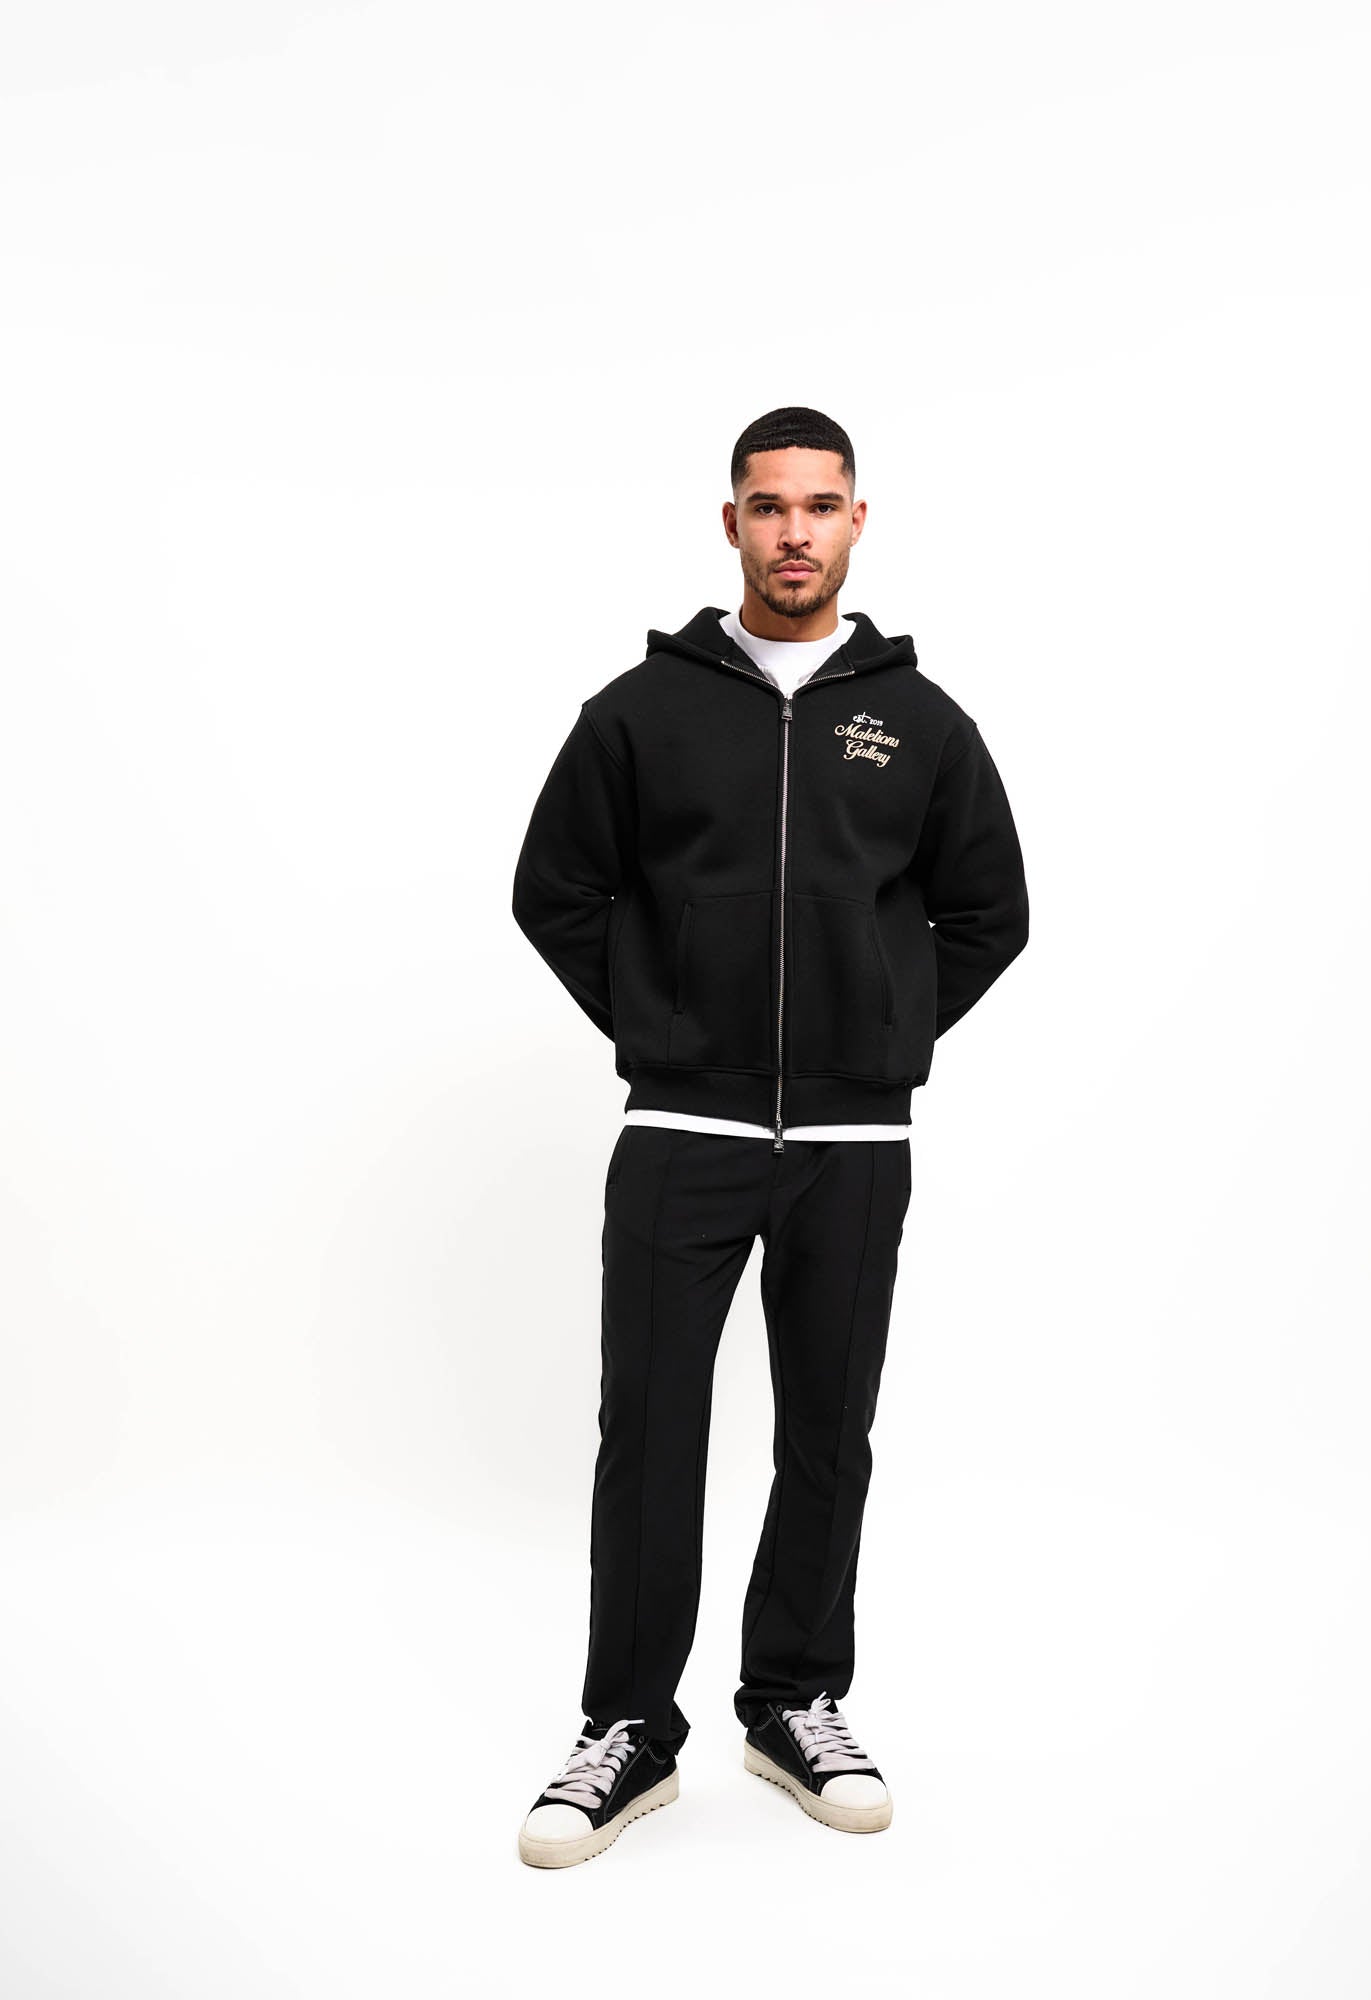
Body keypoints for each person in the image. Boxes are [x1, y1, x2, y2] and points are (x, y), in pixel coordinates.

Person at [509, 405, 1029, 1868]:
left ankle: (794, 1702)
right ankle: (627, 1729)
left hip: (854, 1143)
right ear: (729, 522)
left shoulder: (923, 725)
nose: (793, 531)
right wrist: (666, 1019)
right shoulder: (639, 712)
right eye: (767, 505)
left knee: (826, 1433)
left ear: (858, 520)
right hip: (684, 1123)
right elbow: (555, 889)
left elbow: (989, 912)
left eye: (819, 505)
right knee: (651, 1430)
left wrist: (883, 1030)